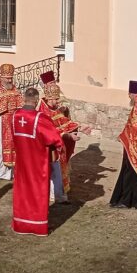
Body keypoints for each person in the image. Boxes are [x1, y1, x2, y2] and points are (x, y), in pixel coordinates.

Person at [11, 88, 64, 237]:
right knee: (37, 193)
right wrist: (60, 145)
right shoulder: (40, 118)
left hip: (21, 163)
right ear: (36, 100)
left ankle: (21, 225)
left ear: (23, 98)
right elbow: (54, 138)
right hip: (38, 163)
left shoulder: (15, 116)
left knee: (22, 193)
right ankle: (37, 226)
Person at [37, 72, 82, 204]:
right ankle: (55, 195)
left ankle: (59, 194)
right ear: (48, 97)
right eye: (55, 100)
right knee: (53, 171)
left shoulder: (53, 106)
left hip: (58, 145)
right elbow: (48, 130)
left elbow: (62, 120)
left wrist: (80, 125)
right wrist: (66, 134)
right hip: (48, 148)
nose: (58, 102)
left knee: (58, 170)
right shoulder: (42, 110)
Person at [110, 80, 137, 210]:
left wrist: (124, 136)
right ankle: (135, 200)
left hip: (134, 146)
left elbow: (134, 127)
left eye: (130, 95)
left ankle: (126, 200)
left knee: (129, 172)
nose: (129, 97)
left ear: (133, 94)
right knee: (134, 173)